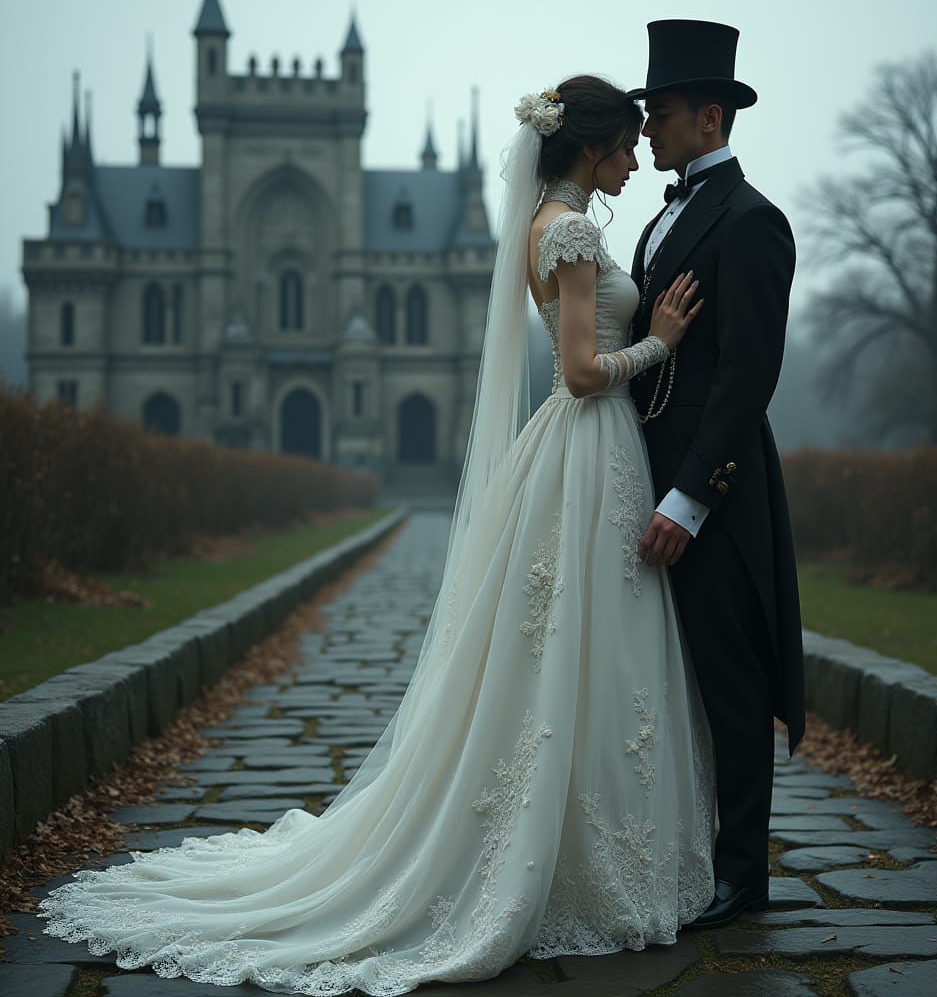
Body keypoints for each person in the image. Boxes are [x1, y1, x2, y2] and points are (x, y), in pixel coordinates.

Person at [36, 75, 716, 995]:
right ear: (592, 148)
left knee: (568, 641)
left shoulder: (540, 227)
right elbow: (585, 372)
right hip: (591, 440)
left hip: (586, 454)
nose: (637, 159)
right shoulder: (572, 231)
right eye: (627, 145)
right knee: (585, 642)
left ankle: (571, 840)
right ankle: (581, 853)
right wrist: (663, 341)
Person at [626, 19, 805, 929]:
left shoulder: (752, 221)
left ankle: (742, 877)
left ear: (710, 118)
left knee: (731, 687)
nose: (648, 129)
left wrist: (690, 499)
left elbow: (746, 379)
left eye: (659, 114)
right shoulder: (664, 217)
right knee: (672, 684)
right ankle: (691, 853)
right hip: (646, 475)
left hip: (715, 498)